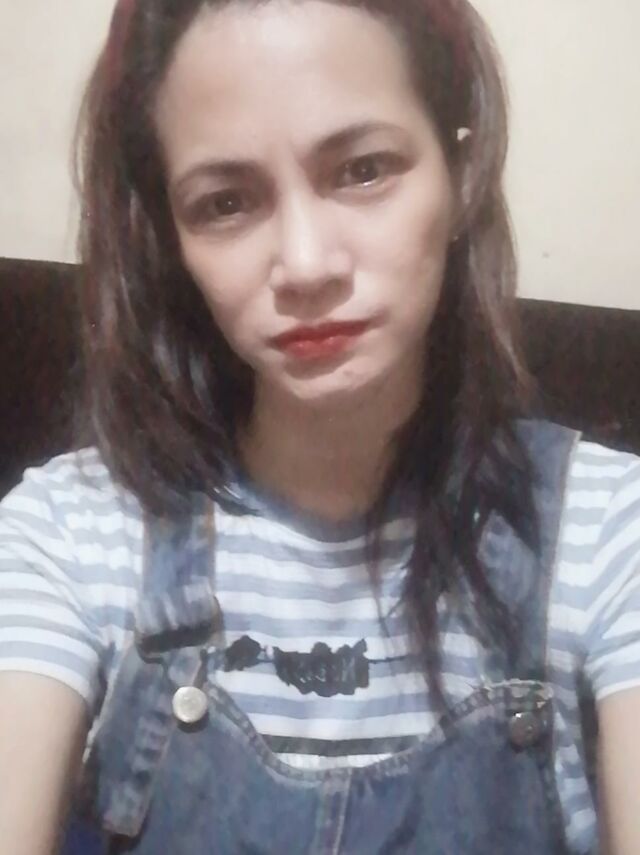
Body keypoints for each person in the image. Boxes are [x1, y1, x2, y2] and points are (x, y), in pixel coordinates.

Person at [1, 0, 639, 852]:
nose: (305, 264)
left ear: (460, 173)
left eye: (364, 169)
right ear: (171, 240)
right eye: (226, 202)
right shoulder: (74, 532)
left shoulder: (608, 532)